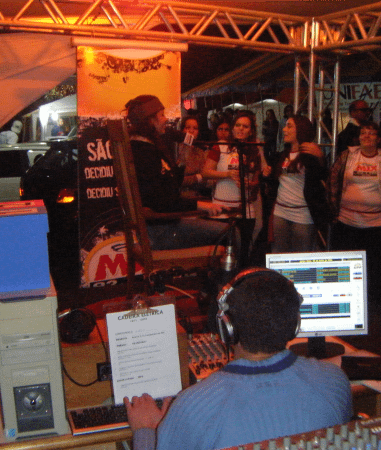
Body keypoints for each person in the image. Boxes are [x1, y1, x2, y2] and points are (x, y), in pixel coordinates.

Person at [124, 268, 353, 450]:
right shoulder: (334, 382)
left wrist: (147, 431)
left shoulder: (191, 408)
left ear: (227, 328)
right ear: (295, 325)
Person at [125, 95, 229, 250]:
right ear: (149, 121)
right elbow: (163, 202)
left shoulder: (145, 147)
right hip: (160, 231)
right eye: (162, 115)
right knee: (230, 232)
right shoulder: (144, 152)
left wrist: (182, 160)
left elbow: (171, 186)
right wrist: (202, 206)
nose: (166, 119)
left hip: (161, 225)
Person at [329, 121, 381, 310]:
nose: (366, 136)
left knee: (376, 266)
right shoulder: (347, 156)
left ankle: (375, 304)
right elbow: (333, 180)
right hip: (347, 221)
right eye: (363, 133)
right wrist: (332, 210)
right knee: (347, 264)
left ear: (378, 139)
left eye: (371, 133)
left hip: (376, 223)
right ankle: (347, 301)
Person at [202, 111, 264, 266]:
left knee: (243, 253)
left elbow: (257, 180)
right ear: (232, 128)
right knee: (221, 253)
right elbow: (205, 172)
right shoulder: (220, 146)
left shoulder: (254, 149)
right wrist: (227, 174)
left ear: (251, 131)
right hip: (221, 207)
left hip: (245, 209)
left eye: (245, 126)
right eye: (238, 125)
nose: (241, 129)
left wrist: (250, 184)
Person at [271, 115, 331, 253]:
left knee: (301, 255)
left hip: (302, 214)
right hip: (280, 211)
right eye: (285, 126)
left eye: (289, 126)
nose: (284, 129)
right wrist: (267, 172)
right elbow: (275, 181)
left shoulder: (310, 154)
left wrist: (321, 158)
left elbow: (324, 176)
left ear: (301, 129)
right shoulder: (282, 154)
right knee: (279, 253)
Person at [176, 115, 210, 197]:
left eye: (195, 128)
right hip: (178, 195)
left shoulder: (201, 151)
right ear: (182, 130)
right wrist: (197, 177)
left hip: (197, 195)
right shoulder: (176, 149)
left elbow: (205, 178)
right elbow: (177, 180)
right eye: (187, 127)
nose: (191, 131)